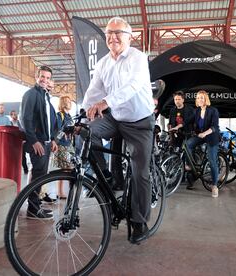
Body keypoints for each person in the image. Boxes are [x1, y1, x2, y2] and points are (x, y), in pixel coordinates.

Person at [82, 16, 155, 244]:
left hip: (140, 121)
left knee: (140, 172)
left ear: (129, 37)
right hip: (116, 118)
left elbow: (132, 86)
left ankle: (139, 221)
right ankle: (106, 179)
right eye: (109, 33)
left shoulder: (138, 58)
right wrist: (82, 115)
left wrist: (106, 102)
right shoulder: (103, 63)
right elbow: (93, 92)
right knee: (86, 135)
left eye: (118, 32)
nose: (113, 36)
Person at [20, 65, 58, 219]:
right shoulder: (31, 94)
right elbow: (26, 119)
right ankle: (33, 209)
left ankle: (35, 205)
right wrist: (34, 141)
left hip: (47, 142)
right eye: (42, 76)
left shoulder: (45, 96)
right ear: (37, 77)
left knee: (41, 175)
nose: (45, 80)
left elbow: (50, 120)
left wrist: (53, 139)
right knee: (37, 175)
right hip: (38, 143)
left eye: (48, 78)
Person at [185, 90, 220, 197]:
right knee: (188, 144)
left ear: (206, 99)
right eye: (198, 97)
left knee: (212, 161)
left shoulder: (213, 110)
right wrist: (178, 126)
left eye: (202, 97)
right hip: (201, 135)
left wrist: (205, 133)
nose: (200, 99)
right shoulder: (197, 111)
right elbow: (187, 122)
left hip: (212, 137)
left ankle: (214, 186)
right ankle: (190, 165)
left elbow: (215, 127)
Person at [52, 96, 75, 199]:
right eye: (68, 101)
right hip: (62, 144)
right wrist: (56, 142)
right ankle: (61, 192)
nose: (69, 102)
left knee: (68, 169)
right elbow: (60, 130)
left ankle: (66, 191)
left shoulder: (69, 116)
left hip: (69, 144)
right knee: (65, 169)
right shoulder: (59, 115)